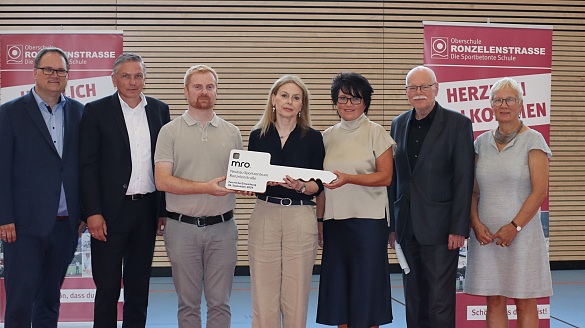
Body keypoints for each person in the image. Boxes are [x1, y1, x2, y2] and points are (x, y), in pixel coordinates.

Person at [79, 52, 170, 327]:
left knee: (138, 285)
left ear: (145, 79)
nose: (133, 81)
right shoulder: (95, 111)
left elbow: (165, 162)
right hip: (108, 213)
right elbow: (87, 166)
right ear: (114, 79)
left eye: (138, 75)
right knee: (107, 288)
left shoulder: (158, 110)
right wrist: (92, 212)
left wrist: (162, 209)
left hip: (146, 210)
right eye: (126, 75)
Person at [0, 47, 84, 327]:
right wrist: (5, 217)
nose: (54, 75)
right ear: (34, 72)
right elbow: (2, 169)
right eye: (47, 69)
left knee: (49, 300)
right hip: (22, 228)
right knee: (20, 302)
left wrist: (83, 212)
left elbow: (85, 168)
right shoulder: (10, 113)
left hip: (64, 226)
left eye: (60, 70)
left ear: (67, 76)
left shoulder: (80, 113)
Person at [154, 64, 241, 328]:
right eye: (198, 86)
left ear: (217, 91)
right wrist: (205, 187)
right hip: (182, 229)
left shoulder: (232, 132)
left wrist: (249, 185)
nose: (204, 92)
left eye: (210, 86)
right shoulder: (169, 131)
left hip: (223, 229)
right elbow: (162, 181)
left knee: (220, 304)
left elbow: (238, 178)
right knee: (188, 305)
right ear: (186, 91)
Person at [388, 65, 475, 327]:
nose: (418, 92)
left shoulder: (458, 125)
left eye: (424, 86)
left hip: (441, 230)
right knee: (414, 299)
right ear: (406, 93)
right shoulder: (397, 124)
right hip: (406, 228)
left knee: (439, 302)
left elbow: (464, 179)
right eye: (412, 87)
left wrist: (458, 228)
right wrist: (393, 226)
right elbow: (395, 179)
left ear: (436, 89)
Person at [464, 77, 553, 326]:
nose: (504, 105)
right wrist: (475, 223)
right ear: (491, 106)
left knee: (524, 301)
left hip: (522, 235)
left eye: (510, 99)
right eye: (498, 100)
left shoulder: (534, 140)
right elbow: (473, 192)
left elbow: (539, 192)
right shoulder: (480, 143)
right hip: (487, 237)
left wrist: (514, 227)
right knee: (494, 300)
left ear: (520, 104)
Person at [316, 72, 395, 328]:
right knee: (340, 293)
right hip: (335, 223)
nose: (348, 104)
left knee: (367, 293)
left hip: (368, 224)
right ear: (335, 102)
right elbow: (320, 185)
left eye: (355, 99)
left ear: (365, 102)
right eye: (342, 99)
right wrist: (320, 221)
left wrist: (349, 178)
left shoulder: (377, 132)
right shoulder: (326, 136)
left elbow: (385, 177)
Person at [247, 75, 325, 328]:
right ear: (273, 99)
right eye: (284, 95)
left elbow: (319, 183)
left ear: (302, 105)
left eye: (295, 97)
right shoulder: (257, 136)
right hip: (265, 214)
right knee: (263, 293)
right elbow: (250, 179)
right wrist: (258, 183)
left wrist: (302, 186)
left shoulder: (313, 138)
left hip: (300, 217)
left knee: (296, 293)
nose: (288, 102)